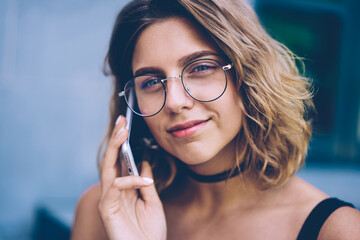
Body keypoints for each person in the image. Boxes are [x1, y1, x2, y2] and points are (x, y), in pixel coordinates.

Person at [71, 0, 360, 239]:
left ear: (250, 75)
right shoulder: (101, 213)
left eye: (201, 67)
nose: (174, 101)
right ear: (131, 103)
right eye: (151, 82)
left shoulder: (337, 230)